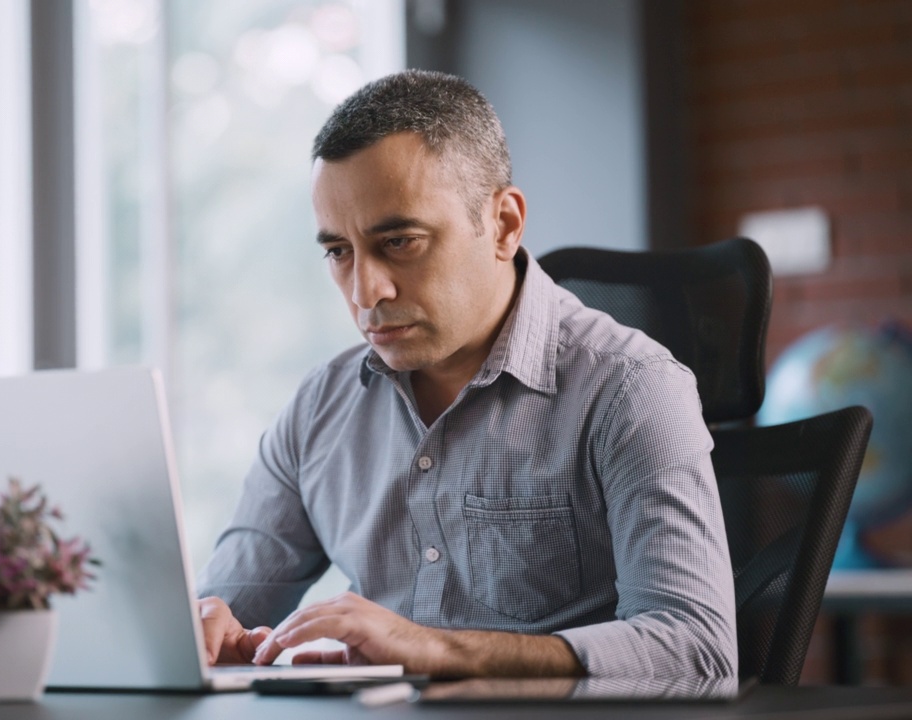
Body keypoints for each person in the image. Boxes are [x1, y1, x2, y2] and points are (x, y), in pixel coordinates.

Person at [194, 69, 736, 679]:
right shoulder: (321, 406)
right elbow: (226, 610)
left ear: (503, 225)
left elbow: (697, 652)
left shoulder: (631, 389)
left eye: (399, 241)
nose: (366, 290)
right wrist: (204, 628)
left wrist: (442, 651)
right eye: (338, 252)